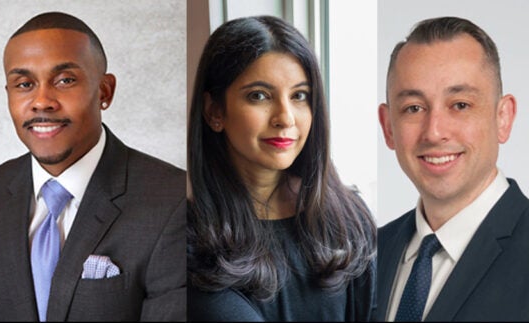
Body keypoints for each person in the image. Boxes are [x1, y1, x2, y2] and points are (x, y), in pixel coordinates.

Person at [0, 11, 186, 321]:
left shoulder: (172, 200)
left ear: (105, 91)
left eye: (65, 80)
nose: (41, 102)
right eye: (24, 84)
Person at [186, 15, 376, 321]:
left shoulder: (349, 219)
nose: (285, 118)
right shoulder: (188, 243)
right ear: (214, 111)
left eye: (299, 96)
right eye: (259, 96)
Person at [375, 16, 529, 321]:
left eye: (460, 105)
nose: (434, 132)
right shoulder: (365, 258)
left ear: (503, 118)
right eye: (414, 108)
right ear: (388, 126)